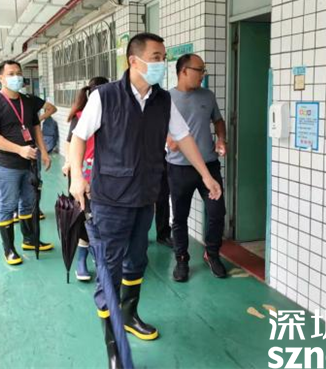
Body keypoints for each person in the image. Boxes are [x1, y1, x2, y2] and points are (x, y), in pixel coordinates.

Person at [69, 33, 222, 366]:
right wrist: (77, 177)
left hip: (145, 197)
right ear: (133, 61)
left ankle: (129, 315)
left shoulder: (162, 100)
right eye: (155, 57)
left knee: (136, 261)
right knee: (108, 269)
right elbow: (78, 138)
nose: (161, 63)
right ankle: (113, 343)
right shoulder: (105, 96)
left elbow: (185, 138)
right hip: (110, 199)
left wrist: (206, 175)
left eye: (163, 57)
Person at [0, 60, 54, 266]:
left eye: (19, 73)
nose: (16, 77)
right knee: (8, 205)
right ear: (1, 78)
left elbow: (35, 127)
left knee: (29, 203)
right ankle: (9, 250)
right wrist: (19, 149)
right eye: (11, 74)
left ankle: (29, 240)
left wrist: (44, 151)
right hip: (7, 165)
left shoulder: (27, 101)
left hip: (30, 163)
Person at [166, 53, 228, 282]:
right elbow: (155, 128)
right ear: (184, 71)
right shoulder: (166, 99)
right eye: (199, 70)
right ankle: (181, 259)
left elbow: (218, 121)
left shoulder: (207, 96)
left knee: (217, 212)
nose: (203, 74)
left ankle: (212, 253)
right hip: (179, 167)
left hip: (209, 166)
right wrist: (167, 139)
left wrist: (221, 139)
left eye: (203, 70)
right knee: (180, 217)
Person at [62, 76, 109, 282]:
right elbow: (70, 142)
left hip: (106, 175)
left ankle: (100, 256)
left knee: (102, 218)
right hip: (83, 175)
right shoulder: (80, 116)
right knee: (84, 217)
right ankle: (81, 260)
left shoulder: (112, 115)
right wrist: (69, 163)